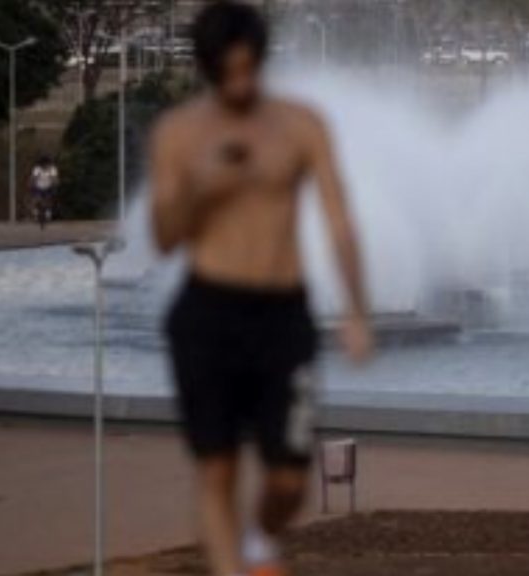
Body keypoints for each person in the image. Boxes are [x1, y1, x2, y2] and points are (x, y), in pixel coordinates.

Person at [149, 2, 373, 575]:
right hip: (208, 312)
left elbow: (340, 219)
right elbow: (165, 238)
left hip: (282, 315)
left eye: (250, 68)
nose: (242, 83)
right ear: (208, 70)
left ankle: (259, 539)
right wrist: (203, 186)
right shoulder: (180, 134)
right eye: (230, 72)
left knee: (288, 480)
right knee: (217, 470)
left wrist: (356, 311)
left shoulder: (300, 124)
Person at [29, 155, 58, 228]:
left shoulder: (52, 169)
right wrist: (31, 183)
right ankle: (35, 213)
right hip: (38, 187)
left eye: (47, 164)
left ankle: (48, 213)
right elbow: (33, 177)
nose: (46, 166)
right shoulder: (37, 169)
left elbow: (55, 178)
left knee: (49, 200)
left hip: (48, 187)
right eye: (44, 164)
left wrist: (55, 181)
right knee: (36, 200)